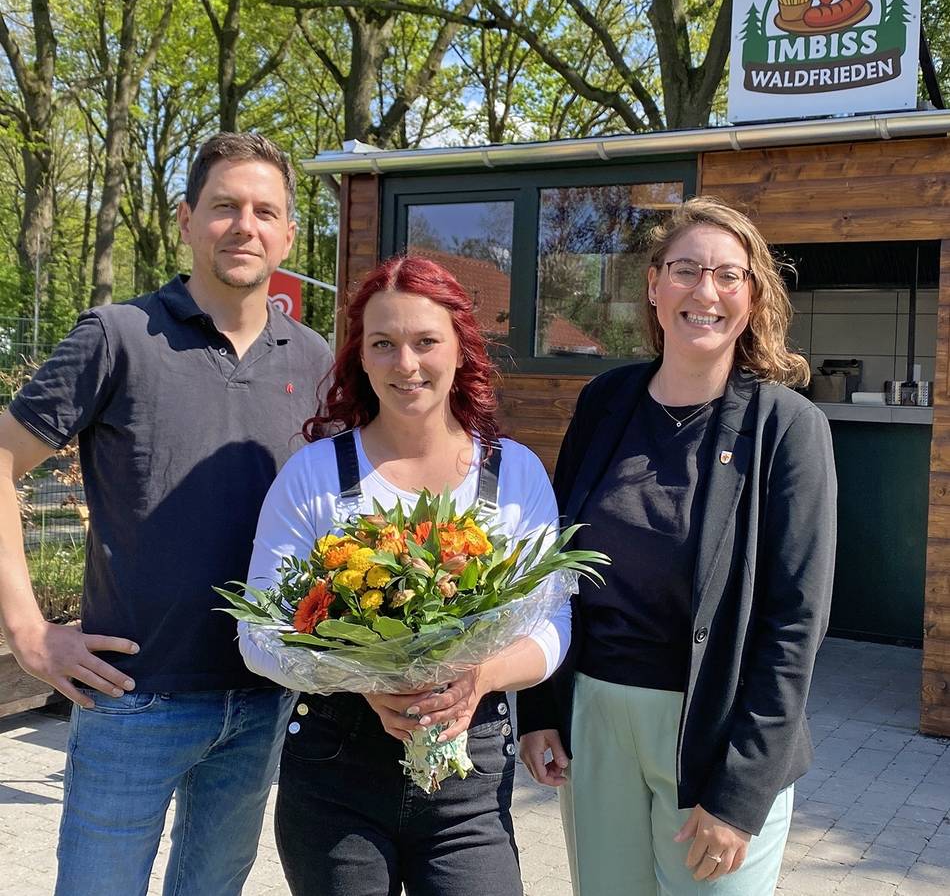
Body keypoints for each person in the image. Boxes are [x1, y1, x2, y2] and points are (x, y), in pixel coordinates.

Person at [0, 132, 333, 896]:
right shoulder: (117, 336)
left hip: (262, 697)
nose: (244, 225)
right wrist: (27, 631)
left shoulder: (315, 359)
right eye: (224, 206)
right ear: (186, 220)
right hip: (131, 697)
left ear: (287, 234)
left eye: (264, 211)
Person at [518, 196, 837, 895]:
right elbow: (552, 567)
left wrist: (741, 793)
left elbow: (795, 624)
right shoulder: (605, 403)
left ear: (753, 297)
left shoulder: (787, 427)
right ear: (655, 286)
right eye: (686, 269)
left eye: (729, 275)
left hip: (717, 736)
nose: (706, 291)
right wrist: (539, 712)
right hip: (596, 721)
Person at [240, 255, 571, 896]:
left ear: (460, 350)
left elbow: (552, 620)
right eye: (383, 344)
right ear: (361, 359)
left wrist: (481, 678)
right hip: (337, 773)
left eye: (426, 341)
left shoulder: (514, 474)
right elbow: (259, 635)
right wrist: (361, 679)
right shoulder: (315, 475)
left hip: (468, 775)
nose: (406, 363)